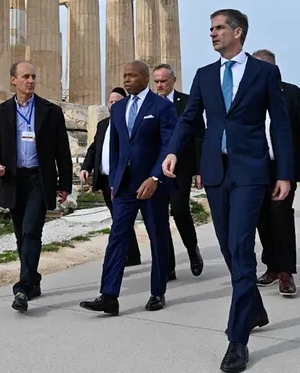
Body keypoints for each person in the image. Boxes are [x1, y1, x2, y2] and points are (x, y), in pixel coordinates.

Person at [162, 9, 293, 373]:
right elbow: (190, 118)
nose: (213, 33)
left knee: (240, 246)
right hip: (215, 170)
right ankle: (254, 307)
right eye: (211, 29)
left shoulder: (264, 72)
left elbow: (280, 124)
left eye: (219, 28)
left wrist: (285, 172)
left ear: (238, 32)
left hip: (251, 170)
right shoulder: (205, 75)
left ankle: (237, 340)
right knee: (226, 247)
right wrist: (172, 151)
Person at [79, 60, 177, 315]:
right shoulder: (119, 108)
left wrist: (155, 178)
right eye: (124, 75)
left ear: (145, 78)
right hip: (124, 184)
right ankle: (109, 296)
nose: (126, 80)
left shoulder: (162, 107)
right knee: (117, 237)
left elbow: (169, 145)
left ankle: (157, 292)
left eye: (132, 76)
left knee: (157, 236)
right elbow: (115, 147)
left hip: (153, 185)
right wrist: (113, 181)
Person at [0, 61, 73, 313]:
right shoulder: (0, 112)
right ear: (14, 80)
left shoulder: (51, 111)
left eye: (33, 76)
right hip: (13, 179)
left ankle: (21, 289)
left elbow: (62, 151)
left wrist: (65, 183)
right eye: (25, 77)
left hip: (39, 179)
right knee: (21, 234)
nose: (31, 81)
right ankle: (33, 281)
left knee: (32, 231)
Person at [252, 49, 300, 297]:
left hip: (284, 167)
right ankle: (272, 266)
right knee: (262, 217)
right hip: (257, 168)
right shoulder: (249, 97)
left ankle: (286, 272)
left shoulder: (294, 94)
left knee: (281, 215)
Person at [153, 63, 205, 280]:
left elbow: (199, 136)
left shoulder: (187, 102)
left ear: (174, 80)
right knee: (159, 216)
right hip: (156, 168)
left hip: (181, 167)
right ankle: (168, 265)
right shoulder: (150, 104)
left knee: (179, 210)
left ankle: (192, 249)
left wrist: (200, 169)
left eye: (163, 81)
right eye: (156, 81)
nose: (159, 85)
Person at [79, 87, 142, 266]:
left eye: (117, 101)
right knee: (118, 217)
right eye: (110, 101)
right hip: (106, 179)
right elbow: (94, 148)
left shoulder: (130, 123)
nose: (113, 104)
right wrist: (86, 167)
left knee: (121, 219)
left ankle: (121, 257)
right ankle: (132, 254)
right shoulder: (103, 124)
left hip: (123, 178)